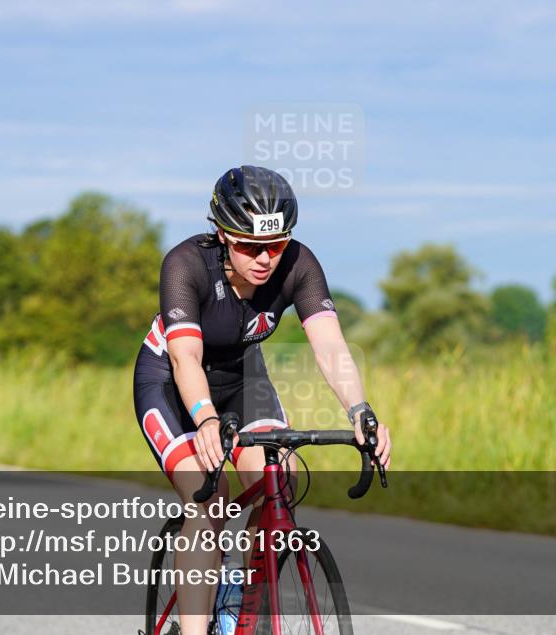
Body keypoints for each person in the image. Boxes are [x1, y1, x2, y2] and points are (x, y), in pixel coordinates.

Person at [133, 165, 391, 635]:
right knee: (209, 498)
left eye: (276, 244)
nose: (265, 258)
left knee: (279, 480)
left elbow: (331, 347)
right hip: (171, 380)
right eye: (250, 246)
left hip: (242, 378)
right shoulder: (185, 264)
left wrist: (360, 410)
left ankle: (245, 602)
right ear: (222, 235)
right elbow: (186, 357)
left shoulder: (299, 264)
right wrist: (205, 419)